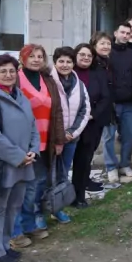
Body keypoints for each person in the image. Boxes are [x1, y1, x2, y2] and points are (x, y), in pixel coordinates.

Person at [0, 54, 40, 262]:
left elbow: (32, 125)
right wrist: (17, 156)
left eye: (12, 71)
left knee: (14, 206)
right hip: (3, 164)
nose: (8, 75)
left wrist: (33, 150)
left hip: (24, 163)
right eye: (3, 71)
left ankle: (5, 245)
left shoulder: (20, 95)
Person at [11, 44, 66, 246]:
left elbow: (57, 112)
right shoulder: (15, 78)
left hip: (44, 143)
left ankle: (29, 225)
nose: (36, 59)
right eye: (31, 56)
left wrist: (58, 140)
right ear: (22, 58)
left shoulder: (48, 80)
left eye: (40, 56)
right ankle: (15, 231)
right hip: (21, 144)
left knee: (35, 186)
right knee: (18, 188)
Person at [71, 44, 112, 208]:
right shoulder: (68, 72)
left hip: (91, 123)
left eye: (89, 55)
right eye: (82, 54)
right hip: (69, 123)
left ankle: (79, 196)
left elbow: (106, 97)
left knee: (84, 160)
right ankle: (58, 195)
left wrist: (92, 114)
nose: (86, 58)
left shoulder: (98, 73)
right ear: (75, 55)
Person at [49, 47, 91, 181]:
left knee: (64, 173)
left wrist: (71, 132)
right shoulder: (47, 82)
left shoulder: (79, 84)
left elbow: (85, 110)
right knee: (47, 176)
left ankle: (61, 194)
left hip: (71, 138)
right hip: (51, 138)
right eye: (61, 61)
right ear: (55, 62)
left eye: (69, 62)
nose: (65, 65)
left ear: (73, 64)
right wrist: (58, 134)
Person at [91, 31, 122, 184]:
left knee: (108, 136)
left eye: (108, 43)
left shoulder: (109, 62)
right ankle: (109, 168)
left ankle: (111, 167)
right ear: (94, 45)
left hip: (109, 105)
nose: (106, 46)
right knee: (95, 141)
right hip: (96, 109)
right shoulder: (93, 63)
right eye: (102, 43)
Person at [109, 23, 132, 183]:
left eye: (128, 33)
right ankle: (111, 167)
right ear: (115, 33)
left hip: (129, 102)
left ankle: (125, 164)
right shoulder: (108, 52)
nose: (125, 35)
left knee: (129, 136)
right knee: (109, 137)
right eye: (122, 32)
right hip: (112, 102)